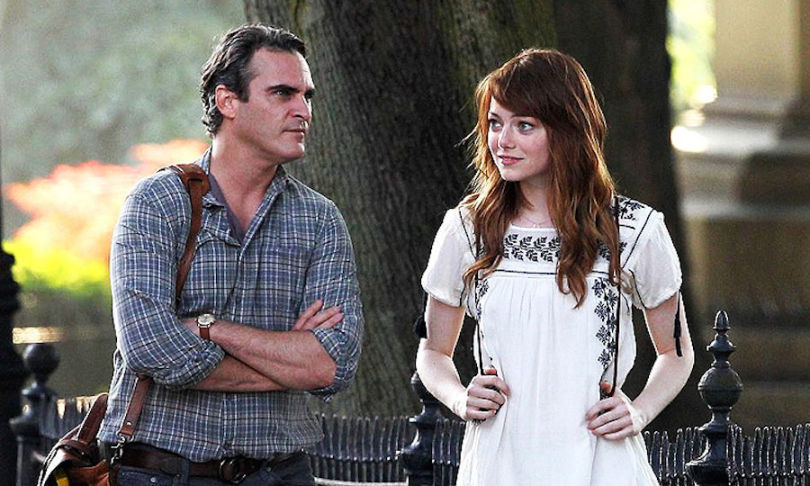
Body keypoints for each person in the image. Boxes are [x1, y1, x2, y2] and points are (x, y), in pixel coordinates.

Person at [98, 24, 363, 485]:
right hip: (162, 472)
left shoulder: (320, 220)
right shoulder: (158, 203)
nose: (303, 110)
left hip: (281, 474)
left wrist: (209, 328)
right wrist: (290, 362)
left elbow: (332, 363)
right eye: (282, 93)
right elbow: (150, 349)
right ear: (227, 101)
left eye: (307, 96)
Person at [417, 48, 694, 485]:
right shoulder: (467, 230)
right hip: (499, 463)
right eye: (495, 123)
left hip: (600, 462)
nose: (502, 141)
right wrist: (458, 397)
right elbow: (433, 352)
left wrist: (639, 411)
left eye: (524, 125)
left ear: (567, 130)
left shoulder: (633, 231)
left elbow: (676, 353)